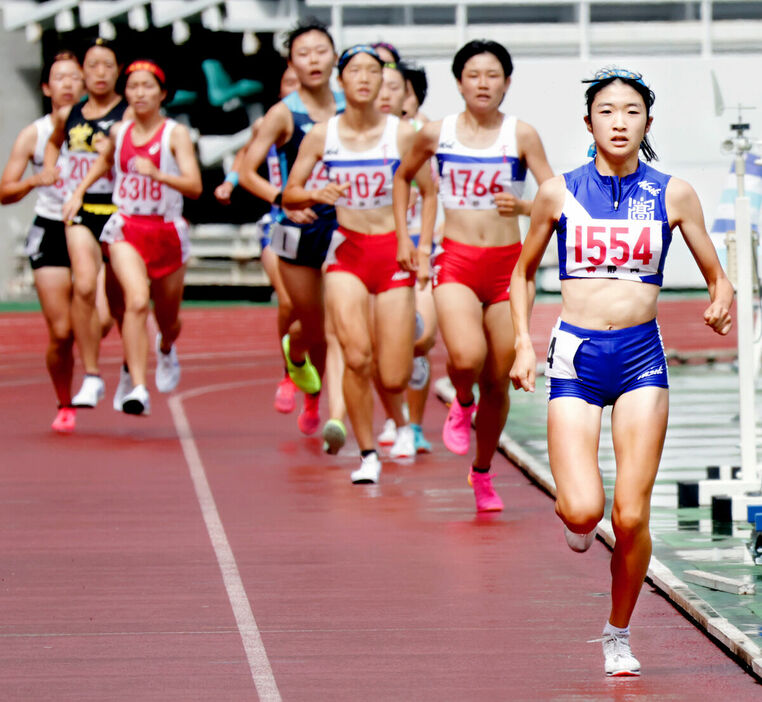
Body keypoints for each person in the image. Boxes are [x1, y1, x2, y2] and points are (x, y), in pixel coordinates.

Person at [508, 68, 733, 676]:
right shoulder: (558, 192)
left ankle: (617, 633)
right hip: (574, 358)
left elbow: (718, 276)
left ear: (647, 124)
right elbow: (524, 271)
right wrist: (523, 346)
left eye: (631, 112)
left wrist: (719, 297)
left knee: (631, 516)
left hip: (640, 359)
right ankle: (577, 520)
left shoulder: (674, 193)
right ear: (589, 123)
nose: (618, 122)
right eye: (606, 112)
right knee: (583, 511)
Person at [394, 40, 553, 511]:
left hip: (508, 265)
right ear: (459, 81)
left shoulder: (521, 135)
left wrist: (524, 205)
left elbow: (553, 193)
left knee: (498, 378)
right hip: (457, 260)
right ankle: (460, 401)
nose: (483, 83)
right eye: (474, 75)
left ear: (507, 82)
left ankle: (482, 473)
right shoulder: (436, 134)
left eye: (493, 75)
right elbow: (402, 177)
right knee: (465, 357)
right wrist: (407, 239)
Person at [283, 45, 437, 484]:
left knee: (393, 375)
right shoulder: (322, 135)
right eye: (356, 71)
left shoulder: (402, 134)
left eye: (374, 71)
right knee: (355, 356)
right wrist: (316, 194)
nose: (365, 79)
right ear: (341, 80)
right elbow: (290, 193)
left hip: (393, 252)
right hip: (346, 251)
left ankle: (402, 392)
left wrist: (420, 244)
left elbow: (429, 191)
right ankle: (367, 453)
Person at [63, 59, 202, 415]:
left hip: (167, 230)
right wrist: (79, 191)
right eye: (133, 87)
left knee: (169, 319)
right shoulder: (120, 133)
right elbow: (104, 162)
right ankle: (137, 386)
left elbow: (195, 185)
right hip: (127, 227)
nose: (139, 93)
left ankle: (167, 348)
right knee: (136, 301)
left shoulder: (175, 134)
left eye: (147, 87)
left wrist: (157, 173)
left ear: (162, 94)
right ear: (126, 94)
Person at [239, 20, 347, 449]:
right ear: (291, 63)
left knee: (341, 324)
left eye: (321, 51)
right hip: (298, 228)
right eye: (304, 54)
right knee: (312, 325)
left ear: (335, 57)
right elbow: (247, 171)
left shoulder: (349, 106)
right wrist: (285, 198)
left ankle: (328, 408)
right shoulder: (283, 114)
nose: (314, 60)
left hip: (345, 227)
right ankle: (298, 363)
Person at [0, 50, 84, 432]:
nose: (68, 84)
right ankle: (65, 400)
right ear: (47, 87)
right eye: (60, 78)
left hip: (95, 227)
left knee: (96, 322)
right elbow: (5, 190)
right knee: (62, 332)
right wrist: (35, 179)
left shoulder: (107, 129)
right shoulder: (33, 134)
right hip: (51, 230)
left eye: (74, 77)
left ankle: (96, 372)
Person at [43, 38, 128, 409]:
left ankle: (131, 368)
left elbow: (111, 158)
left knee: (118, 304)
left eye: (107, 66)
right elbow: (53, 142)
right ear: (83, 74)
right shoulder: (69, 115)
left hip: (122, 209)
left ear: (118, 71)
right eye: (91, 66)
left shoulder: (128, 113)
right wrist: (51, 169)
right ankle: (92, 375)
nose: (99, 73)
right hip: (81, 208)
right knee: (84, 284)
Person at [214, 66, 301, 415]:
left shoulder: (333, 122)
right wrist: (231, 182)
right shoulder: (271, 122)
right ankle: (289, 372)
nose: (296, 88)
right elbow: (244, 157)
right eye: (289, 82)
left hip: (326, 222)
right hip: (279, 220)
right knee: (289, 300)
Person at [375, 59, 438, 455]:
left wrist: (429, 243)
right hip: (377, 247)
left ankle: (413, 424)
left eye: (392, 87)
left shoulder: (425, 135)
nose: (382, 93)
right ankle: (396, 418)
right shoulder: (355, 136)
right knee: (380, 342)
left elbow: (441, 195)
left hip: (419, 244)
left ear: (408, 95)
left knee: (421, 337)